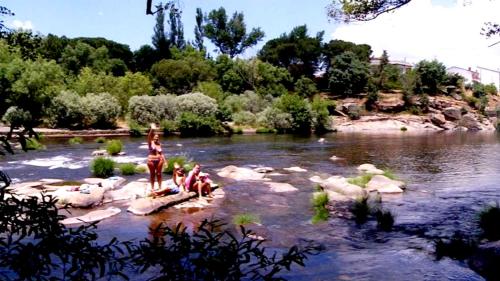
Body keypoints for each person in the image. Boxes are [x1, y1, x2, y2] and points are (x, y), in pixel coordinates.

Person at [147, 123, 165, 194]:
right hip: (151, 160)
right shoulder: (150, 143)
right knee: (152, 174)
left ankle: (160, 187)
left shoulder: (159, 144)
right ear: (152, 137)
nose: (156, 138)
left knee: (159, 174)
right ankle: (152, 188)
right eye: (155, 137)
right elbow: (149, 136)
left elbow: (161, 153)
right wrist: (152, 129)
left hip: (159, 160)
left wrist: (165, 161)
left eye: (157, 137)